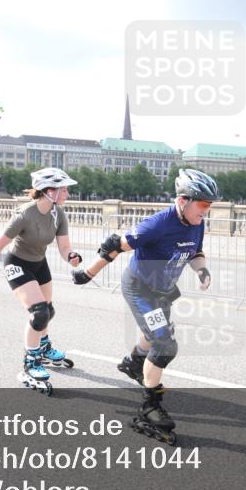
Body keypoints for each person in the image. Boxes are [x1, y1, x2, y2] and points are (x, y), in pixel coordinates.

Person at [71, 169, 219, 443]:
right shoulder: (157, 224)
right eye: (203, 204)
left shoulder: (196, 223)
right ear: (183, 200)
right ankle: (148, 407)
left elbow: (196, 252)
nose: (206, 211)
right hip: (140, 288)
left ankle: (135, 362)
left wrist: (201, 270)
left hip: (162, 291)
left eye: (210, 206)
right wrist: (86, 273)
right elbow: (114, 245)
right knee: (164, 344)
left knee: (156, 334)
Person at [0, 168, 82, 395]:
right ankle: (29, 363)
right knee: (39, 313)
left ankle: (43, 348)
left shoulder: (58, 214)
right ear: (48, 191)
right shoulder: (25, 214)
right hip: (17, 263)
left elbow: (64, 248)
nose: (67, 193)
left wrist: (72, 257)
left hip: (38, 263)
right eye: (63, 189)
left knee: (49, 311)